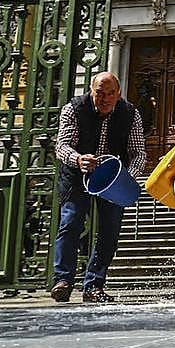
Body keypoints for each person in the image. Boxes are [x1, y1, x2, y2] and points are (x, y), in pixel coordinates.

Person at [51, 71, 145, 303]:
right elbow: (61, 145)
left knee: (110, 231)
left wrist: (126, 176)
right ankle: (62, 280)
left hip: (112, 180)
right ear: (91, 91)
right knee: (70, 223)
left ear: (119, 93)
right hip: (76, 176)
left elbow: (139, 153)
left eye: (110, 94)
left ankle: (94, 285)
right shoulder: (73, 109)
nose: (104, 99)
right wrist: (78, 159)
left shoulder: (131, 114)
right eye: (99, 94)